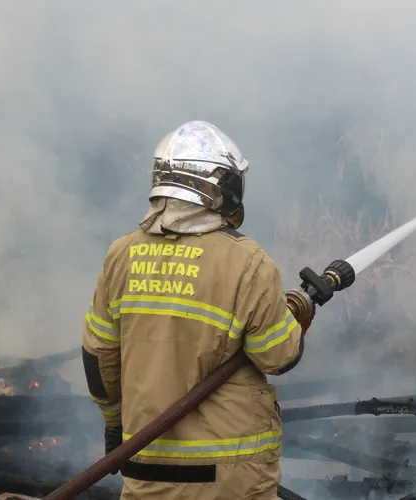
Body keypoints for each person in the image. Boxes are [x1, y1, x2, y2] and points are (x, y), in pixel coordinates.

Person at [81, 120, 314, 499]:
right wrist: (297, 317)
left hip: (146, 470)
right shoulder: (247, 261)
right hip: (232, 477)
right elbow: (277, 356)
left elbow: (97, 354)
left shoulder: (121, 255)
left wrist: (114, 423)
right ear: (223, 189)